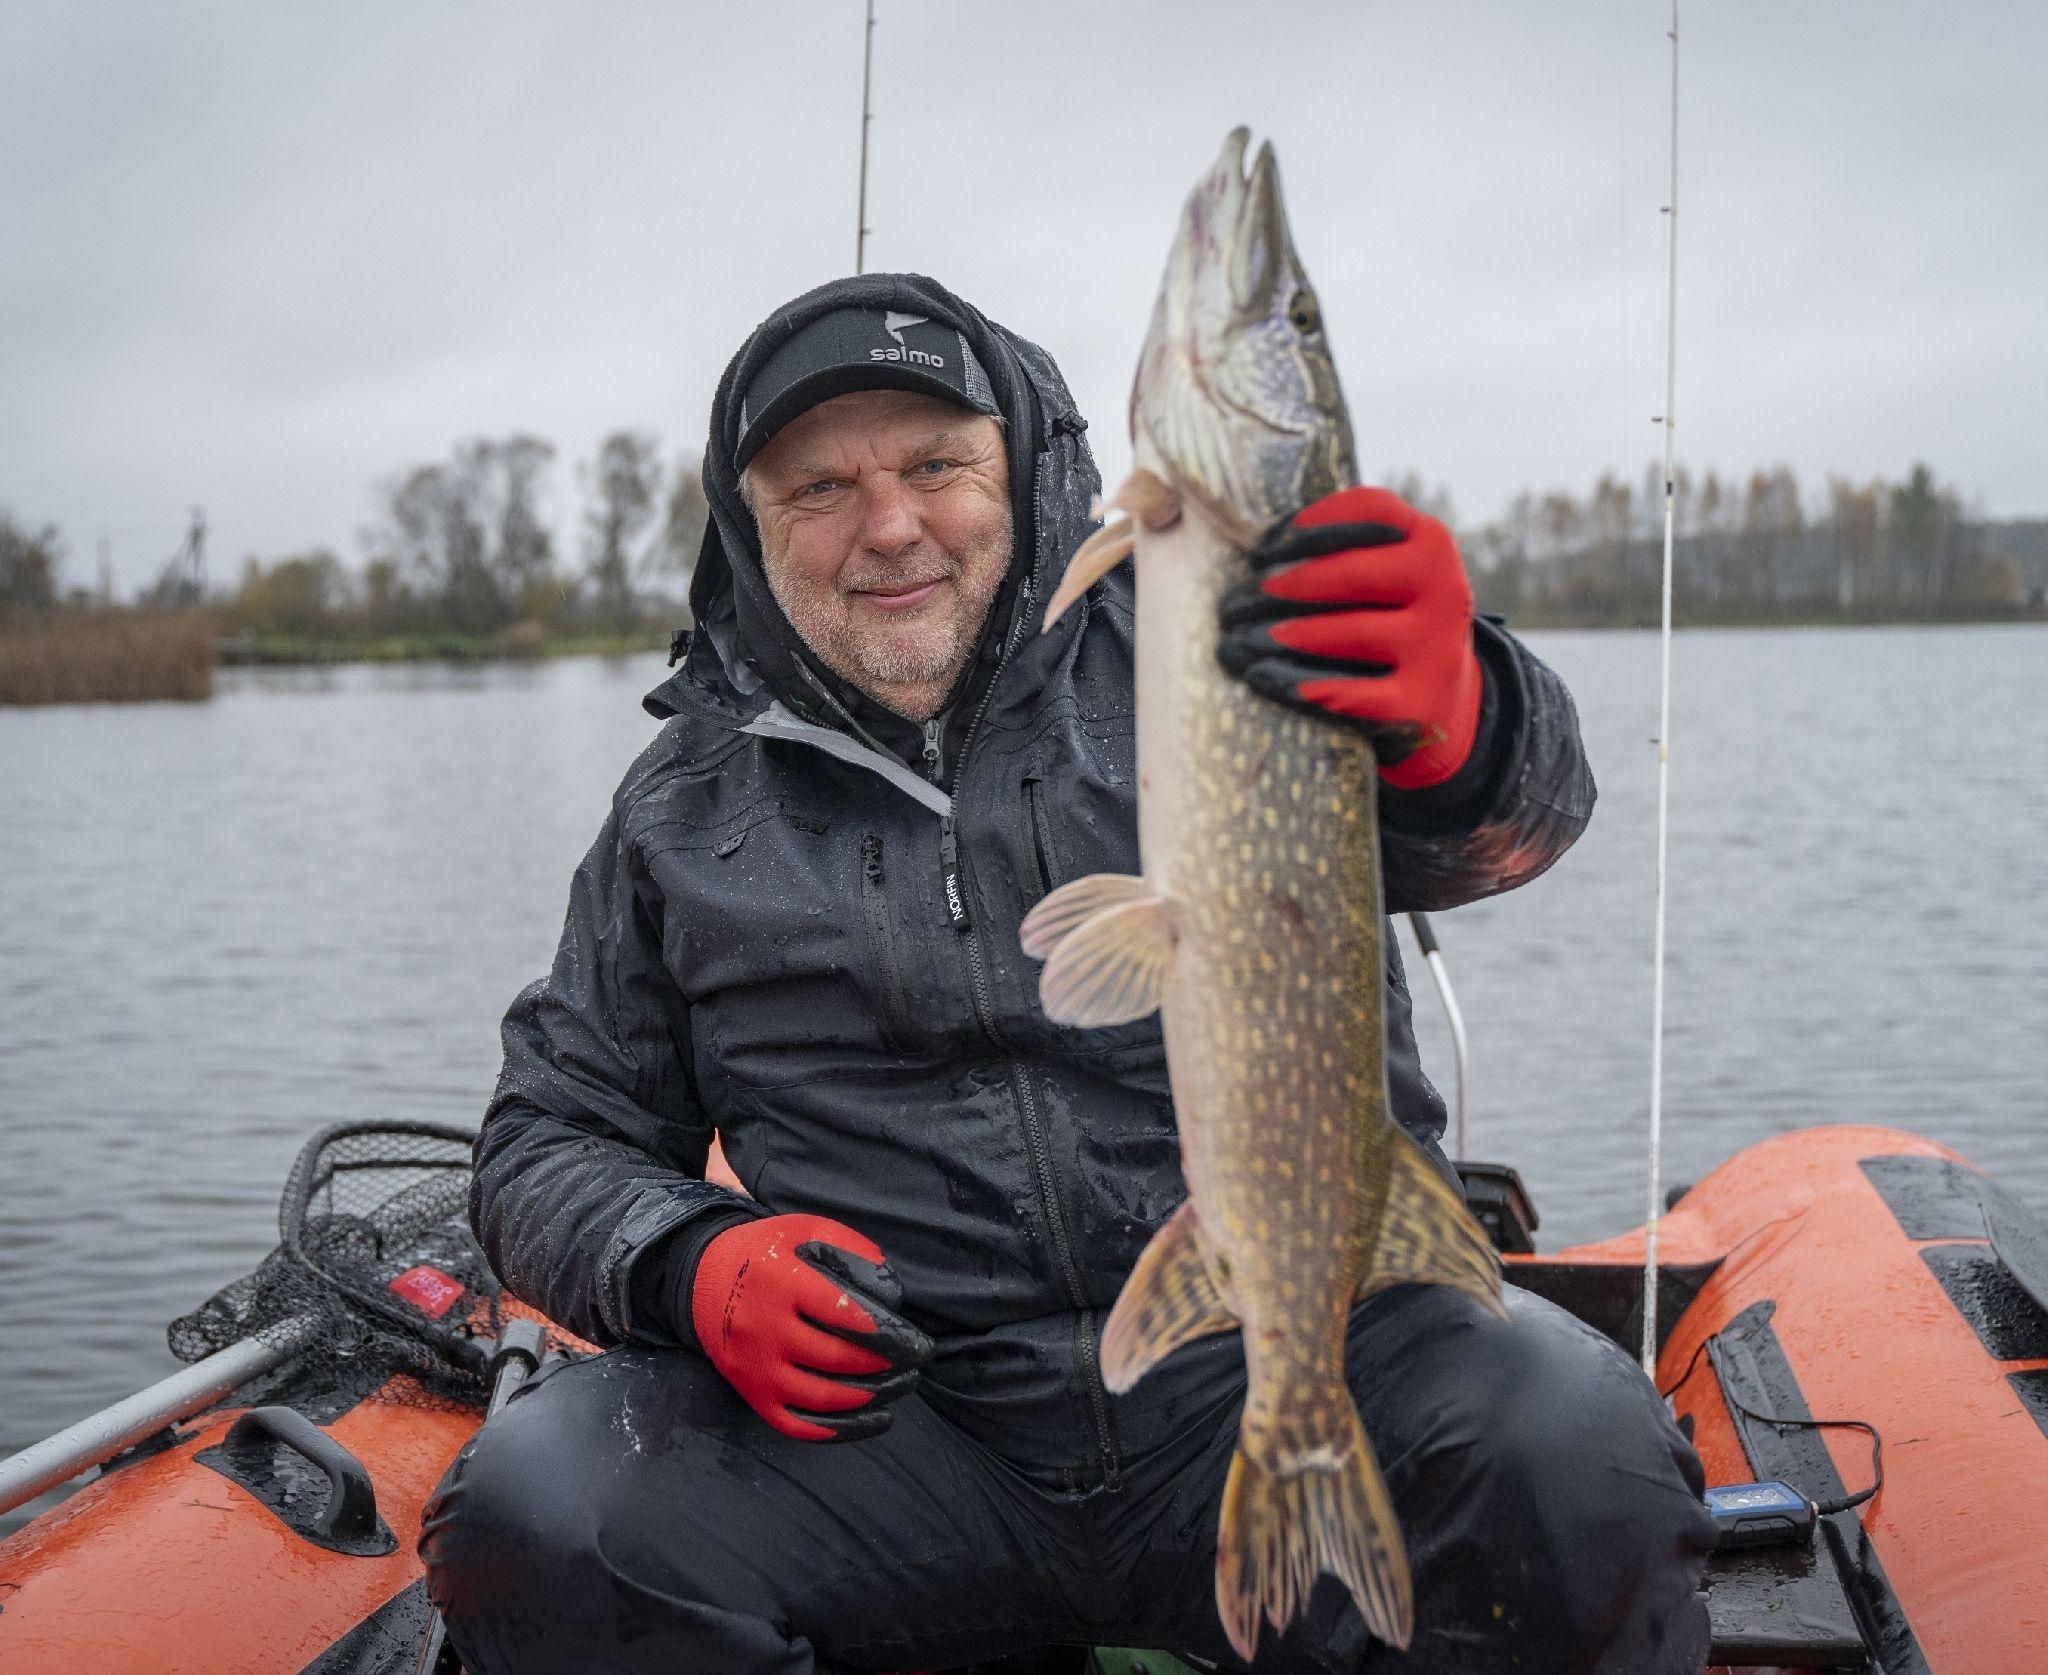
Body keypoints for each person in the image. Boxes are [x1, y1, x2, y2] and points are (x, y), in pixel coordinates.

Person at [420, 273, 1715, 1674]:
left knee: (1578, 1455)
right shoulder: (680, 810)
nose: (890, 527)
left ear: (1026, 467)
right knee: (539, 1517)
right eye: (821, 489)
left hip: (1291, 1346)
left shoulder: (1221, 652)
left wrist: (1464, 708)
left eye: (936, 465)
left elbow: (1513, 826)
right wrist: (690, 1264)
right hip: (903, 1431)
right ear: (748, 523)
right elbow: (547, 1138)